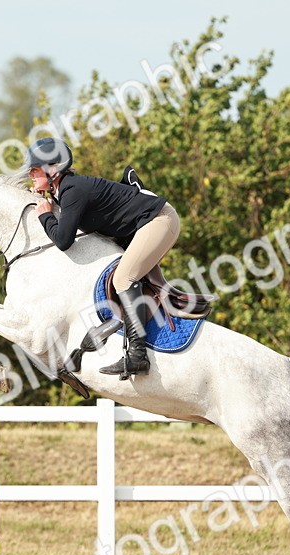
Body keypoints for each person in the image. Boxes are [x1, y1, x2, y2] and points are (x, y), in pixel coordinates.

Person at [26, 137, 202, 379]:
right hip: (148, 224)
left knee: (123, 280)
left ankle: (138, 356)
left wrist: (45, 216)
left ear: (53, 169)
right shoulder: (65, 190)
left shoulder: (72, 190)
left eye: (34, 170)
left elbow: (63, 241)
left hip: (160, 221)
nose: (30, 175)